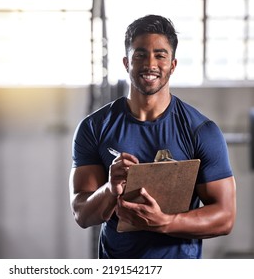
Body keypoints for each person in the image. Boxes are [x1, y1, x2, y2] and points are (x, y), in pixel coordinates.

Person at [69, 14, 236, 259]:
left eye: (160, 55)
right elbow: (81, 214)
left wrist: (164, 222)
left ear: (173, 64)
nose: (150, 64)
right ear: (127, 63)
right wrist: (110, 189)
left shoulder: (200, 131)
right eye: (140, 55)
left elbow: (225, 217)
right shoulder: (94, 127)